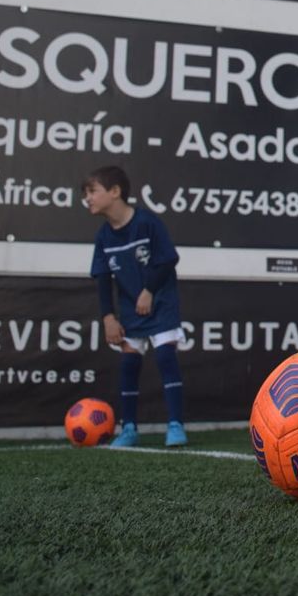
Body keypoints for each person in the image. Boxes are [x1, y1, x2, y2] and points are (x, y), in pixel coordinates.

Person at [82, 165, 188, 448]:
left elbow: (168, 259)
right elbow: (103, 278)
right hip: (131, 310)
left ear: (115, 192)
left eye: (92, 191)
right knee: (129, 364)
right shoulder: (103, 237)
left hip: (160, 303)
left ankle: (175, 425)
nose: (88, 199)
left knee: (166, 357)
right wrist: (108, 317)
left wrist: (148, 291)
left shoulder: (147, 223)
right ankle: (128, 428)